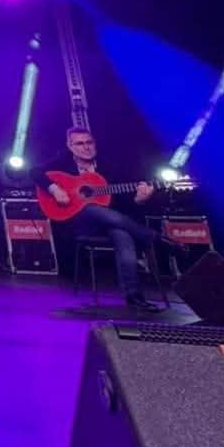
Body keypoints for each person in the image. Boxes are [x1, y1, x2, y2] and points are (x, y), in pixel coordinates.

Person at [33, 125, 175, 313]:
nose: (86, 147)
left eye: (89, 142)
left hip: (111, 221)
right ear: (70, 146)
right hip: (80, 222)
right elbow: (34, 172)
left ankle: (134, 297)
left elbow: (124, 203)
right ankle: (155, 239)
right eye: (79, 144)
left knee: (123, 235)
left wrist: (139, 199)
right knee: (91, 208)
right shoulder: (62, 161)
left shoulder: (110, 166)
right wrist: (55, 189)